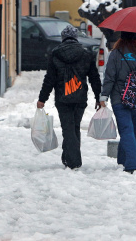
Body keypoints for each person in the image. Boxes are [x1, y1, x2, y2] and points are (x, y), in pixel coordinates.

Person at [37, 25, 102, 170]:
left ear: (63, 38)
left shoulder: (55, 54)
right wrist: (99, 97)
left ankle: (73, 161)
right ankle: (69, 158)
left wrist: (42, 98)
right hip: (80, 97)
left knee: (68, 128)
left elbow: (50, 79)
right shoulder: (86, 54)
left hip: (62, 98)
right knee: (74, 127)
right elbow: (94, 78)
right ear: (75, 37)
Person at [100, 31, 136, 174]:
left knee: (126, 130)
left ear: (121, 38)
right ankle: (122, 159)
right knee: (131, 130)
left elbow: (109, 77)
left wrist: (103, 96)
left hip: (119, 99)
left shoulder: (115, 54)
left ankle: (131, 164)